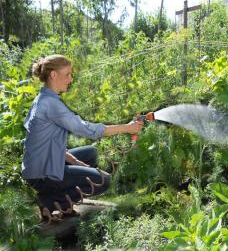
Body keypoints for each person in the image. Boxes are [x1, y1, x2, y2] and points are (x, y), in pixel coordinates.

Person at [22, 54, 143, 222]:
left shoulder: (43, 98)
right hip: (42, 174)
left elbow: (47, 143)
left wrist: (76, 162)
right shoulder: (50, 104)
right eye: (67, 74)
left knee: (93, 153)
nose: (70, 79)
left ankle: (61, 201)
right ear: (53, 75)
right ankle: (50, 201)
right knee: (104, 180)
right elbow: (88, 130)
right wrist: (127, 128)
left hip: (39, 165)